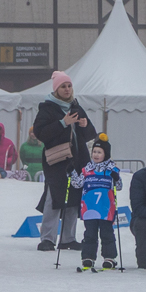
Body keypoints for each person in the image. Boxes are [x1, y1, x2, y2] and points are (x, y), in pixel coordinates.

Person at [34, 70, 97, 252]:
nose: (67, 89)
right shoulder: (47, 108)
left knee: (74, 198)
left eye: (69, 86)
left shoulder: (76, 106)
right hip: (57, 161)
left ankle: (68, 238)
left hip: (78, 160)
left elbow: (90, 134)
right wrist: (63, 123)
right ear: (56, 89)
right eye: (63, 86)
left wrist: (85, 125)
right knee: (54, 197)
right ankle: (47, 239)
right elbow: (40, 133)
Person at [69, 133, 121, 270]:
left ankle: (109, 258)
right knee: (89, 234)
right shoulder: (87, 169)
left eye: (99, 152)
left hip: (106, 209)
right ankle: (88, 257)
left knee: (107, 234)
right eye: (94, 152)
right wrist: (71, 173)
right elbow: (77, 184)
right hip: (90, 208)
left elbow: (119, 187)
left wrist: (116, 178)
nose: (96, 155)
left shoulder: (111, 169)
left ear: (106, 154)